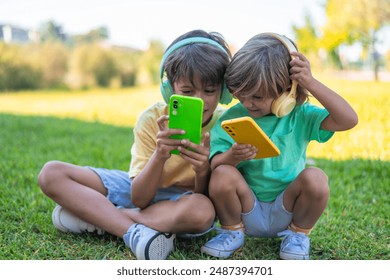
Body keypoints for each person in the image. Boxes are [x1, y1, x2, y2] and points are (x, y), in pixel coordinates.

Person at [37, 29, 232, 260]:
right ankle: (133, 231)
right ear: (169, 90)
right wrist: (160, 155)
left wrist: (202, 170)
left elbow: (208, 200)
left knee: (203, 211)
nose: (200, 100)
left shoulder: (226, 124)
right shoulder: (151, 119)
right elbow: (140, 197)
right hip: (142, 187)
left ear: (224, 90)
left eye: (210, 91)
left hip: (184, 203)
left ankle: (108, 218)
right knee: (51, 173)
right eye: (187, 92)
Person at [200, 32, 358, 260]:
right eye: (240, 95)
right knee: (223, 173)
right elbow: (215, 165)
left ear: (288, 90)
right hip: (245, 209)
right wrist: (233, 157)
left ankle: (297, 235)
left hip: (289, 209)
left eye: (256, 96)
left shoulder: (301, 116)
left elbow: (349, 120)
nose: (247, 103)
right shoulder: (233, 117)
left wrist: (310, 82)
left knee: (316, 178)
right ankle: (231, 232)